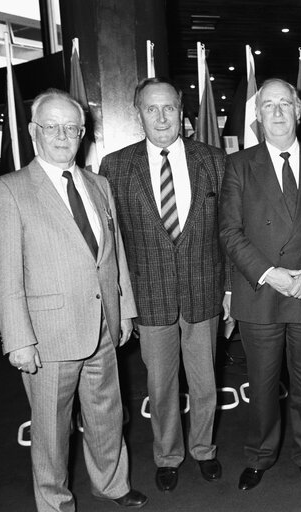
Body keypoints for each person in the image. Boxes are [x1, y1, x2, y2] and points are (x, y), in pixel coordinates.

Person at [0, 89, 147, 511]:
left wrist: (124, 308)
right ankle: (55, 502)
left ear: (82, 134)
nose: (62, 136)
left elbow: (115, 255)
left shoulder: (99, 185)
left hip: (103, 325)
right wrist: (17, 339)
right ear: (34, 132)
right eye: (52, 127)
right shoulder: (10, 190)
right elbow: (4, 274)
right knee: (52, 431)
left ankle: (112, 484)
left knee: (107, 415)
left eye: (71, 128)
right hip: (47, 336)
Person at [219, 78, 301, 491]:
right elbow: (229, 231)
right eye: (268, 105)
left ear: (299, 110)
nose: (277, 112)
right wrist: (269, 273)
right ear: (258, 117)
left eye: (284, 104)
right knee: (261, 386)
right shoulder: (239, 165)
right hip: (261, 292)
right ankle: (260, 456)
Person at [100, 77, 228, 493]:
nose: (161, 117)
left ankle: (204, 450)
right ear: (138, 113)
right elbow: (113, 241)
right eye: (151, 109)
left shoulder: (213, 159)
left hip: (205, 292)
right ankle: (168, 455)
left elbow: (229, 231)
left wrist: (228, 291)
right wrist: (125, 302)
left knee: (206, 381)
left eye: (169, 108)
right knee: (160, 385)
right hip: (150, 297)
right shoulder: (116, 167)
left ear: (181, 111)